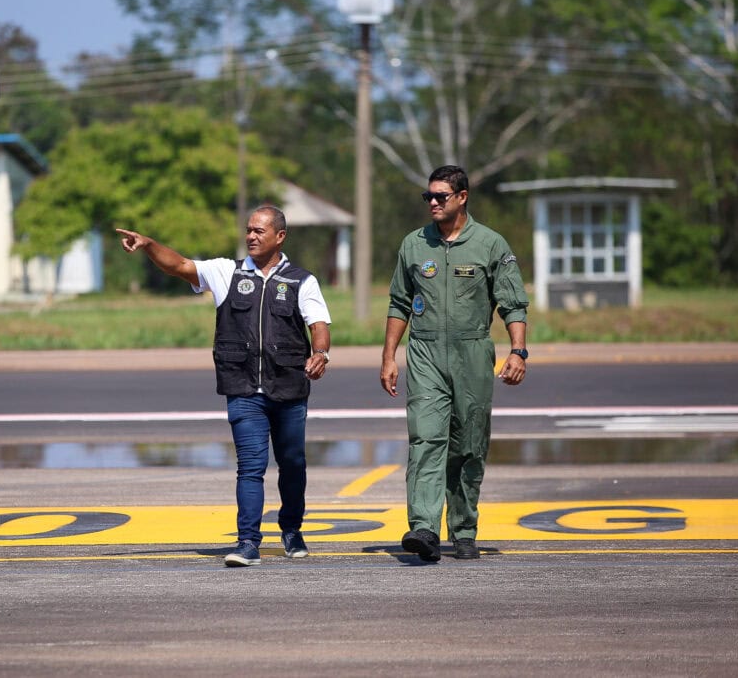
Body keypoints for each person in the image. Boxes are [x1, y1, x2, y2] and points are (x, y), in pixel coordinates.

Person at [116, 205, 332, 567]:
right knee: (250, 466)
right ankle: (248, 541)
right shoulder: (225, 272)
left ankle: (292, 529)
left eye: (259, 231)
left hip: (289, 389)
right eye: (248, 229)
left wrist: (321, 352)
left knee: (292, 464)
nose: (251, 236)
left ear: (279, 236)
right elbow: (180, 266)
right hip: (243, 388)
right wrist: (150, 244)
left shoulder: (301, 280)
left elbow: (319, 323)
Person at [380, 165, 529, 562]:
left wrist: (518, 351)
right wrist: (389, 357)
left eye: (440, 196)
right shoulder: (414, 245)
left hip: (472, 354)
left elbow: (513, 304)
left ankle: (463, 529)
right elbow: (399, 303)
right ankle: (424, 528)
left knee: (468, 445)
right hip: (425, 353)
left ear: (462, 197)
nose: (432, 202)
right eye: (428, 196)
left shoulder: (491, 244)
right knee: (426, 439)